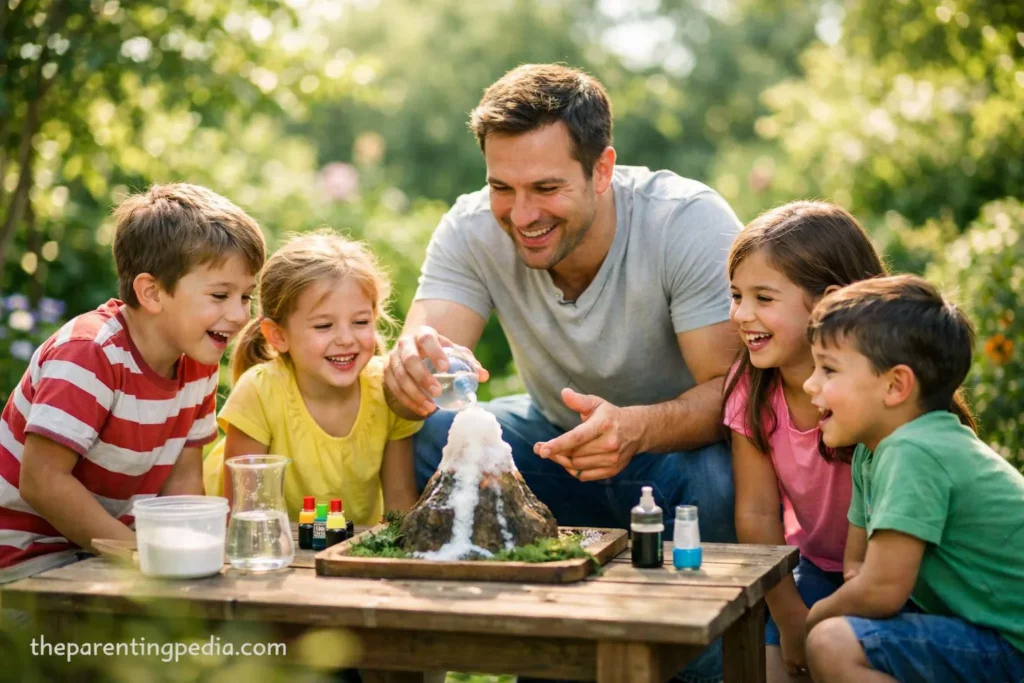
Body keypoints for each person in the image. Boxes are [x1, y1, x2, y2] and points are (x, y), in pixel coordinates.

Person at [384, 63, 742, 547]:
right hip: (549, 447)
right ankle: (479, 613)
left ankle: (714, 621)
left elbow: (736, 392)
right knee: (432, 438)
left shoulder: (686, 221)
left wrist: (638, 428)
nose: (523, 214)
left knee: (716, 477)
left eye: (547, 188)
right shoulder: (470, 228)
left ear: (602, 170)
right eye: (502, 188)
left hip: (671, 452)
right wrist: (409, 372)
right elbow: (424, 362)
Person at [0, 183, 266, 584]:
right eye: (220, 295)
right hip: (25, 558)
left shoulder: (195, 359)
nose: (239, 314)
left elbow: (182, 481)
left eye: (246, 296)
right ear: (153, 292)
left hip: (106, 551)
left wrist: (188, 553)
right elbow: (42, 481)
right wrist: (143, 556)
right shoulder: (89, 354)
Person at [802, 275, 1024, 683]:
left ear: (895, 385)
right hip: (987, 633)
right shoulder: (875, 451)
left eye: (828, 369)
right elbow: (859, 565)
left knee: (829, 642)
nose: (809, 384)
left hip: (1012, 644)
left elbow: (881, 590)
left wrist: (812, 618)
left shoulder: (914, 452)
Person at [723, 201, 887, 682]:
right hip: (813, 568)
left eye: (764, 298)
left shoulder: (874, 390)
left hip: (900, 569)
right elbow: (756, 514)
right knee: (774, 668)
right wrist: (791, 617)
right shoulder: (752, 387)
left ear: (827, 302)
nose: (742, 314)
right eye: (736, 295)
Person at [203, 231, 420, 524]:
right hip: (269, 544)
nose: (346, 339)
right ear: (278, 336)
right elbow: (242, 515)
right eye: (323, 326)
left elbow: (400, 503)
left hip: (343, 548)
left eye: (360, 322)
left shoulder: (388, 388)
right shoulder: (259, 391)